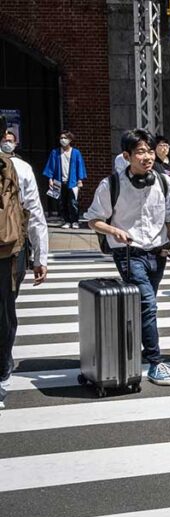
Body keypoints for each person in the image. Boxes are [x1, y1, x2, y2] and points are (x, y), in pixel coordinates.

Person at [84, 129, 170, 386]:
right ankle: (156, 362)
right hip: (128, 253)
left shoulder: (164, 182)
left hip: (157, 254)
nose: (147, 157)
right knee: (148, 304)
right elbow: (93, 219)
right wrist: (115, 230)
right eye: (140, 152)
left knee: (144, 305)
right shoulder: (111, 184)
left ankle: (131, 352)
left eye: (150, 151)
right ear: (127, 156)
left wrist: (168, 245)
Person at [0, 115, 49, 410]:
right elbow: (35, 214)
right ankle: (3, 370)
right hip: (9, 253)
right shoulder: (19, 167)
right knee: (5, 312)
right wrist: (40, 257)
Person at [43, 130, 87, 229]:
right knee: (62, 202)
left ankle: (75, 221)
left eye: (65, 138)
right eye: (61, 138)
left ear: (70, 140)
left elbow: (80, 166)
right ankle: (66, 221)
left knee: (73, 202)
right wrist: (50, 179)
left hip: (72, 181)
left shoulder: (76, 153)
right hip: (59, 180)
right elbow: (51, 166)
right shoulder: (55, 152)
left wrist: (80, 180)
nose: (63, 140)